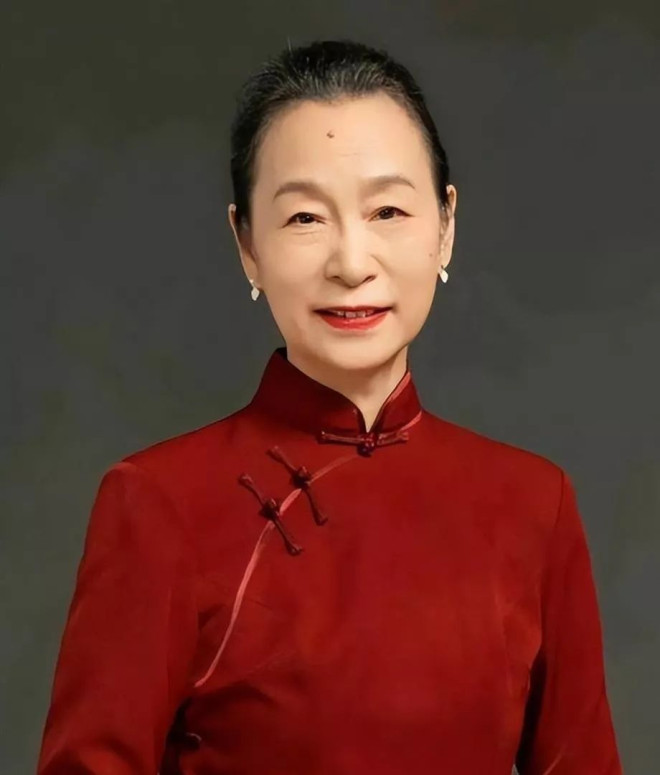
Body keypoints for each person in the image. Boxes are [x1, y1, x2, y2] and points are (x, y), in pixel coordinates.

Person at [36, 39, 622, 775]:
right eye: (305, 218)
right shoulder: (156, 503)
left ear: (445, 225)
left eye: (388, 210)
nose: (351, 263)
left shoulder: (536, 502)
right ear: (247, 244)